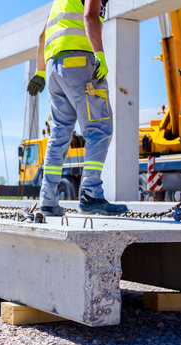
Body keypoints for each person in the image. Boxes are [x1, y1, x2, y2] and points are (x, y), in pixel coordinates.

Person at [27, 0, 128, 216]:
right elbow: (90, 16)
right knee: (99, 129)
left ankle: (47, 201)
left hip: (54, 68)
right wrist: (99, 54)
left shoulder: (60, 3)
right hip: (79, 61)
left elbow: (41, 37)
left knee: (59, 135)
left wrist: (40, 73)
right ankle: (91, 194)